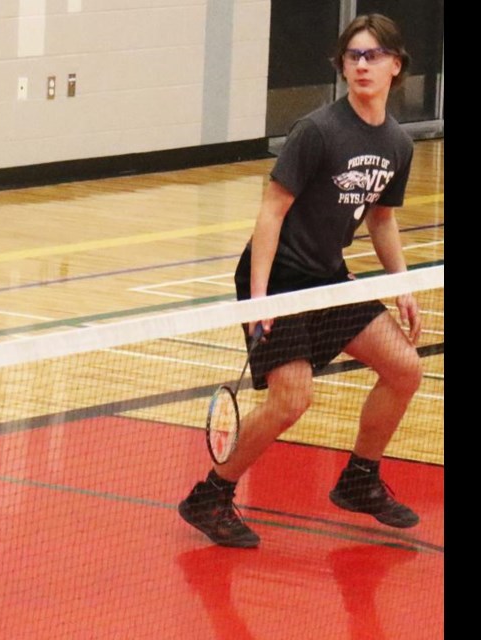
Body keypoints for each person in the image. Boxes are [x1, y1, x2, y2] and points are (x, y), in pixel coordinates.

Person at [178, 14, 423, 548]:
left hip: (329, 277)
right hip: (281, 278)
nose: (361, 65)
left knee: (404, 368)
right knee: (293, 399)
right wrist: (258, 303)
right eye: (353, 56)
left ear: (395, 66)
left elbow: (380, 218)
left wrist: (400, 285)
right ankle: (212, 495)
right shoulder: (317, 131)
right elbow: (270, 213)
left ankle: (360, 479)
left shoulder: (398, 145)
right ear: (342, 65)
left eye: (373, 56)